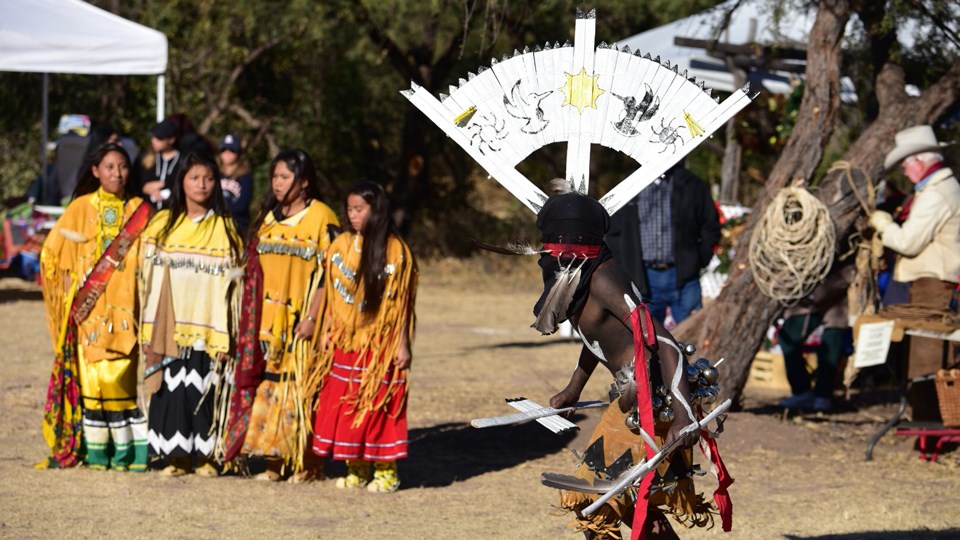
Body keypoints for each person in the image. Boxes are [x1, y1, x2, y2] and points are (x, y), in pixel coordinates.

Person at [532, 186, 730, 539]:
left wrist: (683, 416)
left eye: (552, 241)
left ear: (568, 240)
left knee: (598, 501)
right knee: (626, 499)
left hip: (652, 405)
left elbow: (666, 345)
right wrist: (572, 389)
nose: (547, 249)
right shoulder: (582, 277)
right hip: (633, 402)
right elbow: (601, 339)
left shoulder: (605, 278)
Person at [222, 149, 340, 482]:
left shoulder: (323, 218)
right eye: (274, 176)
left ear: (303, 182)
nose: (277, 183)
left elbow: (333, 274)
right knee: (270, 391)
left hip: (304, 322)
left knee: (299, 392)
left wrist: (314, 317)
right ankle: (274, 462)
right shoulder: (268, 218)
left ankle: (306, 463)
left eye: (285, 177)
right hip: (266, 323)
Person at [38, 143, 154, 470]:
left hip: (125, 309)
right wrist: (69, 294)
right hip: (87, 312)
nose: (117, 174)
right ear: (95, 171)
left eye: (122, 167)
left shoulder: (139, 211)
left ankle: (129, 455)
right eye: (109, 167)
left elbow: (153, 256)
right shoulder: (79, 208)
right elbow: (52, 254)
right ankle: (96, 453)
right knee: (92, 383)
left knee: (120, 379)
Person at [139, 153, 243, 476]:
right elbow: (146, 279)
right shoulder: (160, 225)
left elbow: (235, 288)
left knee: (206, 389)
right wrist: (148, 330)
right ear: (181, 180)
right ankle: (176, 457)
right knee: (171, 391)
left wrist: (229, 330)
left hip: (209, 328)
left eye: (209, 178)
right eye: (194, 178)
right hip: (169, 326)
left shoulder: (225, 229)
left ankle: (210, 457)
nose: (202, 185)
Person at [311, 181, 418, 494]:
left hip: (381, 343)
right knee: (347, 405)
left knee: (378, 406)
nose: (352, 215)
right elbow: (330, 295)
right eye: (350, 209)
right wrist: (327, 331)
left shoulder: (396, 250)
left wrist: (402, 343)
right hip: (346, 340)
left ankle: (386, 471)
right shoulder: (340, 244)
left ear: (377, 210)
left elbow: (402, 304)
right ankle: (355, 465)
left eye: (360, 209)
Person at [869, 124, 960, 418]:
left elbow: (908, 242)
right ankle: (926, 422)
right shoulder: (940, 189)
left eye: (907, 165)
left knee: (926, 360)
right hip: (929, 285)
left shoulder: (937, 193)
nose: (905, 172)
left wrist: (882, 224)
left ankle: (928, 424)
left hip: (931, 287)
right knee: (923, 357)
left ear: (920, 161)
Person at [607, 163, 720, 325]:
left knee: (691, 340)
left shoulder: (691, 184)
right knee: (648, 342)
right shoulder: (629, 185)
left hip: (685, 278)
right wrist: (625, 265)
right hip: (643, 279)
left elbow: (711, 225)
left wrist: (699, 259)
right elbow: (612, 231)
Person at [777, 262, 855, 412]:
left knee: (831, 348)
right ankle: (802, 390)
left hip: (837, 301)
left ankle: (823, 395)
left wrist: (818, 293)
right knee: (787, 338)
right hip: (809, 300)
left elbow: (849, 272)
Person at [138, 118, 182, 208]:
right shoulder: (146, 158)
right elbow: (136, 182)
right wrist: (147, 188)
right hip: (148, 212)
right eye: (153, 137)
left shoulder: (182, 160)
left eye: (159, 138)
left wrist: (165, 185)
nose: (154, 141)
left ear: (171, 139)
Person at [217, 133, 254, 236]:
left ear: (238, 153)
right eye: (224, 150)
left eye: (231, 150)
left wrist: (220, 205)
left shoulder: (245, 176)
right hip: (216, 224)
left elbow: (241, 205)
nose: (227, 153)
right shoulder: (215, 173)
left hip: (238, 226)